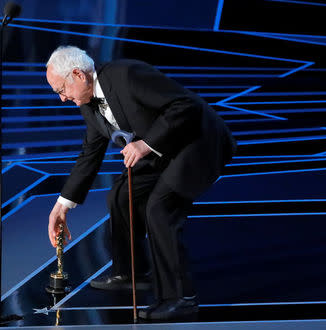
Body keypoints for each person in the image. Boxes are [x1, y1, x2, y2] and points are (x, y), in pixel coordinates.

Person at [46, 46, 236, 321]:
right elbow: (90, 152)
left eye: (61, 90)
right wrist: (62, 206)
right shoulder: (89, 104)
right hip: (163, 149)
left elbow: (186, 105)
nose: (63, 99)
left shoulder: (127, 75)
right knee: (120, 196)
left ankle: (180, 297)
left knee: (160, 209)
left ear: (78, 74)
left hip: (197, 143)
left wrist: (146, 144)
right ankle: (132, 273)